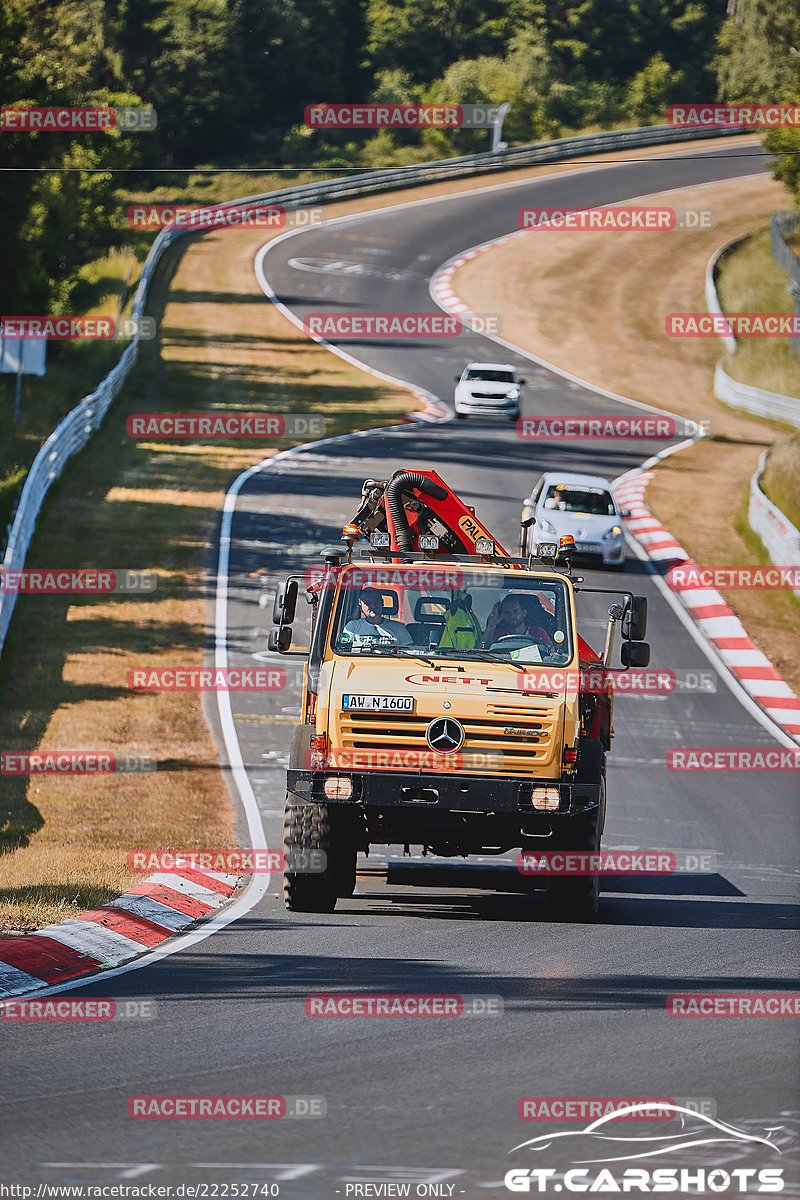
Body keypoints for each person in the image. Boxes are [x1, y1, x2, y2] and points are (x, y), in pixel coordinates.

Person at [342, 587, 412, 647]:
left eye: (376, 601)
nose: (373, 606)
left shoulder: (398, 628)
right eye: (368, 602)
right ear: (360, 606)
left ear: (382, 603)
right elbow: (344, 649)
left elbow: (409, 652)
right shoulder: (352, 626)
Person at [482, 593, 555, 649]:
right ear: (502, 615)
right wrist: (491, 626)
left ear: (524, 613)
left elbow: (551, 651)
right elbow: (483, 649)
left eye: (515, 611)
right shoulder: (498, 634)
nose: (512, 616)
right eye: (507, 612)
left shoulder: (538, 632)